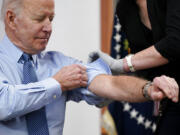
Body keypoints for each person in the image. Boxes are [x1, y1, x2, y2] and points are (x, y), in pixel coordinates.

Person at [0, 0, 178, 135]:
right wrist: (56, 83)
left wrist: (148, 89)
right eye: (39, 18)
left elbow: (109, 84)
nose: (48, 27)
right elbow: (4, 103)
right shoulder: (59, 75)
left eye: (51, 19)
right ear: (11, 18)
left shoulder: (58, 63)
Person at [89, 0, 180, 134]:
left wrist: (120, 65)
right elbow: (146, 67)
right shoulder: (124, 8)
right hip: (171, 95)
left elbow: (174, 44)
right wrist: (111, 87)